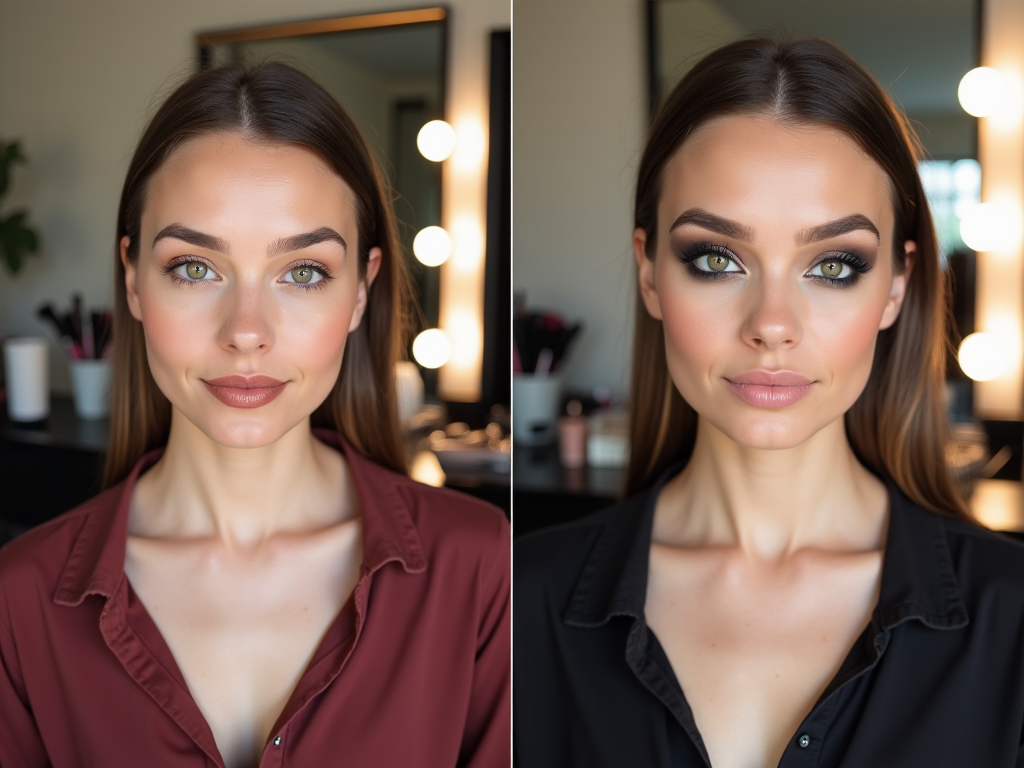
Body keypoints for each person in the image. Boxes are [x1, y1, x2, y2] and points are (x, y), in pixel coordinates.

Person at [515, 37, 1024, 768]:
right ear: (651, 273)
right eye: (717, 260)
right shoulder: (517, 606)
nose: (772, 324)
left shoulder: (1012, 622)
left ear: (897, 287)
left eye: (834, 265)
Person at [0, 62, 509, 768]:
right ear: (133, 280)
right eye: (194, 267)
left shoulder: (483, 571)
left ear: (361, 292)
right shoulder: (18, 603)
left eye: (303, 272)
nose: (246, 330)